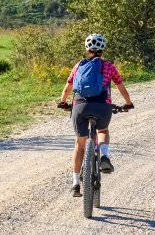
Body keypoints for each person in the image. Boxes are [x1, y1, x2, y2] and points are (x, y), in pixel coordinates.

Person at [57, 32, 134, 197]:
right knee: (102, 131)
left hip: (80, 107)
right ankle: (104, 156)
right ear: (103, 50)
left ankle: (76, 183)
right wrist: (128, 103)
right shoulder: (108, 66)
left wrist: (63, 102)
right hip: (102, 106)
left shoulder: (78, 66)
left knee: (80, 144)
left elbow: (68, 87)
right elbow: (121, 86)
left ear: (87, 50)